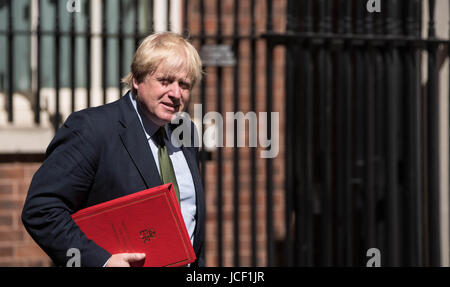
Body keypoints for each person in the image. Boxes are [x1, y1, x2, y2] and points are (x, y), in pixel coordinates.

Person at [21, 32, 205, 267]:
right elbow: (41, 210)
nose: (176, 93)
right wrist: (102, 262)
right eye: (165, 81)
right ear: (137, 79)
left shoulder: (186, 132)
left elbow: (191, 226)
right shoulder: (92, 129)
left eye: (184, 85)